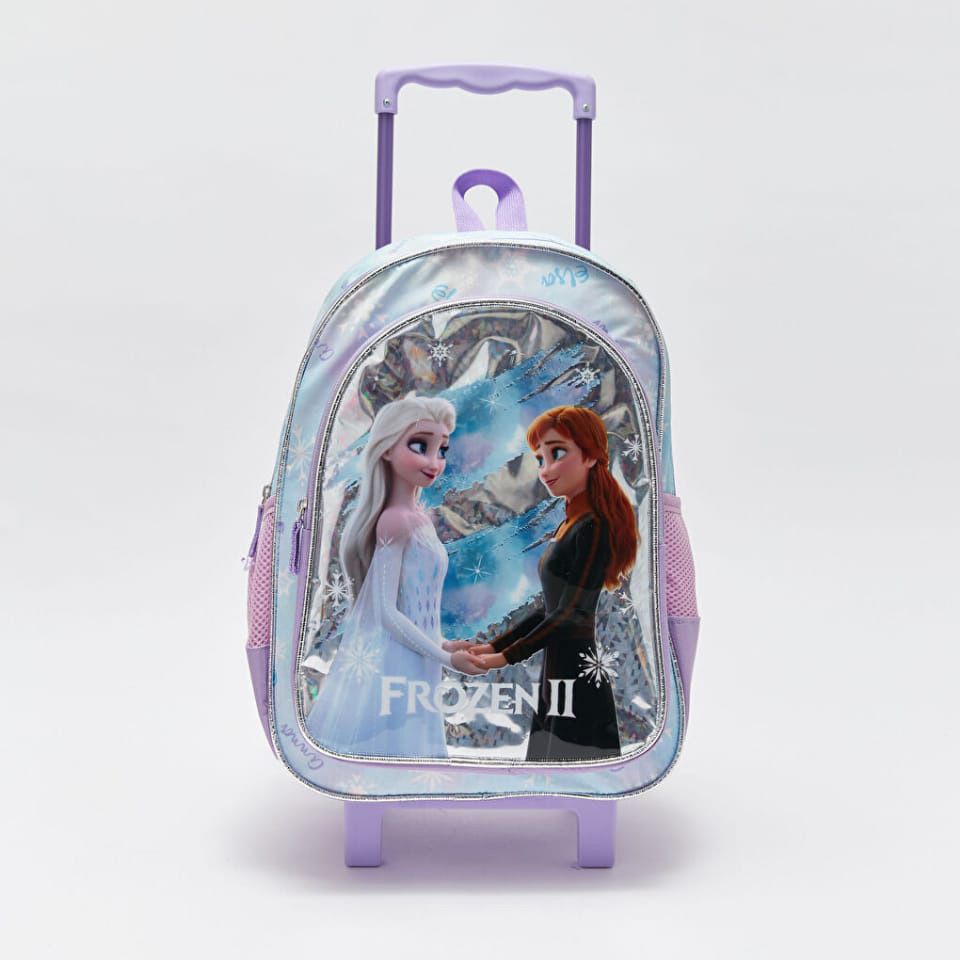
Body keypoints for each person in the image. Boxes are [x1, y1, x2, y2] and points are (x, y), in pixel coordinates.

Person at [455, 405, 639, 761]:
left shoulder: (593, 526)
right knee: (550, 767)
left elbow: (571, 614)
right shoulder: (570, 524)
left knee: (575, 766)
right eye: (540, 459)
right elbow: (550, 608)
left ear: (590, 455)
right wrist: (494, 646)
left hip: (577, 673)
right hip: (558, 668)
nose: (545, 470)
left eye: (558, 453)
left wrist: (505, 657)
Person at [305, 394, 483, 759]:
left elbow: (416, 603)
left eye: (442, 450)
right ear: (386, 449)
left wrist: (444, 644)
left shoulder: (418, 519)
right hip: (395, 659)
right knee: (396, 745)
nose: (434, 462)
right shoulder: (395, 520)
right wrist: (446, 658)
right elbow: (386, 612)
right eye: (419, 446)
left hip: (418, 655)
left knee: (409, 745)